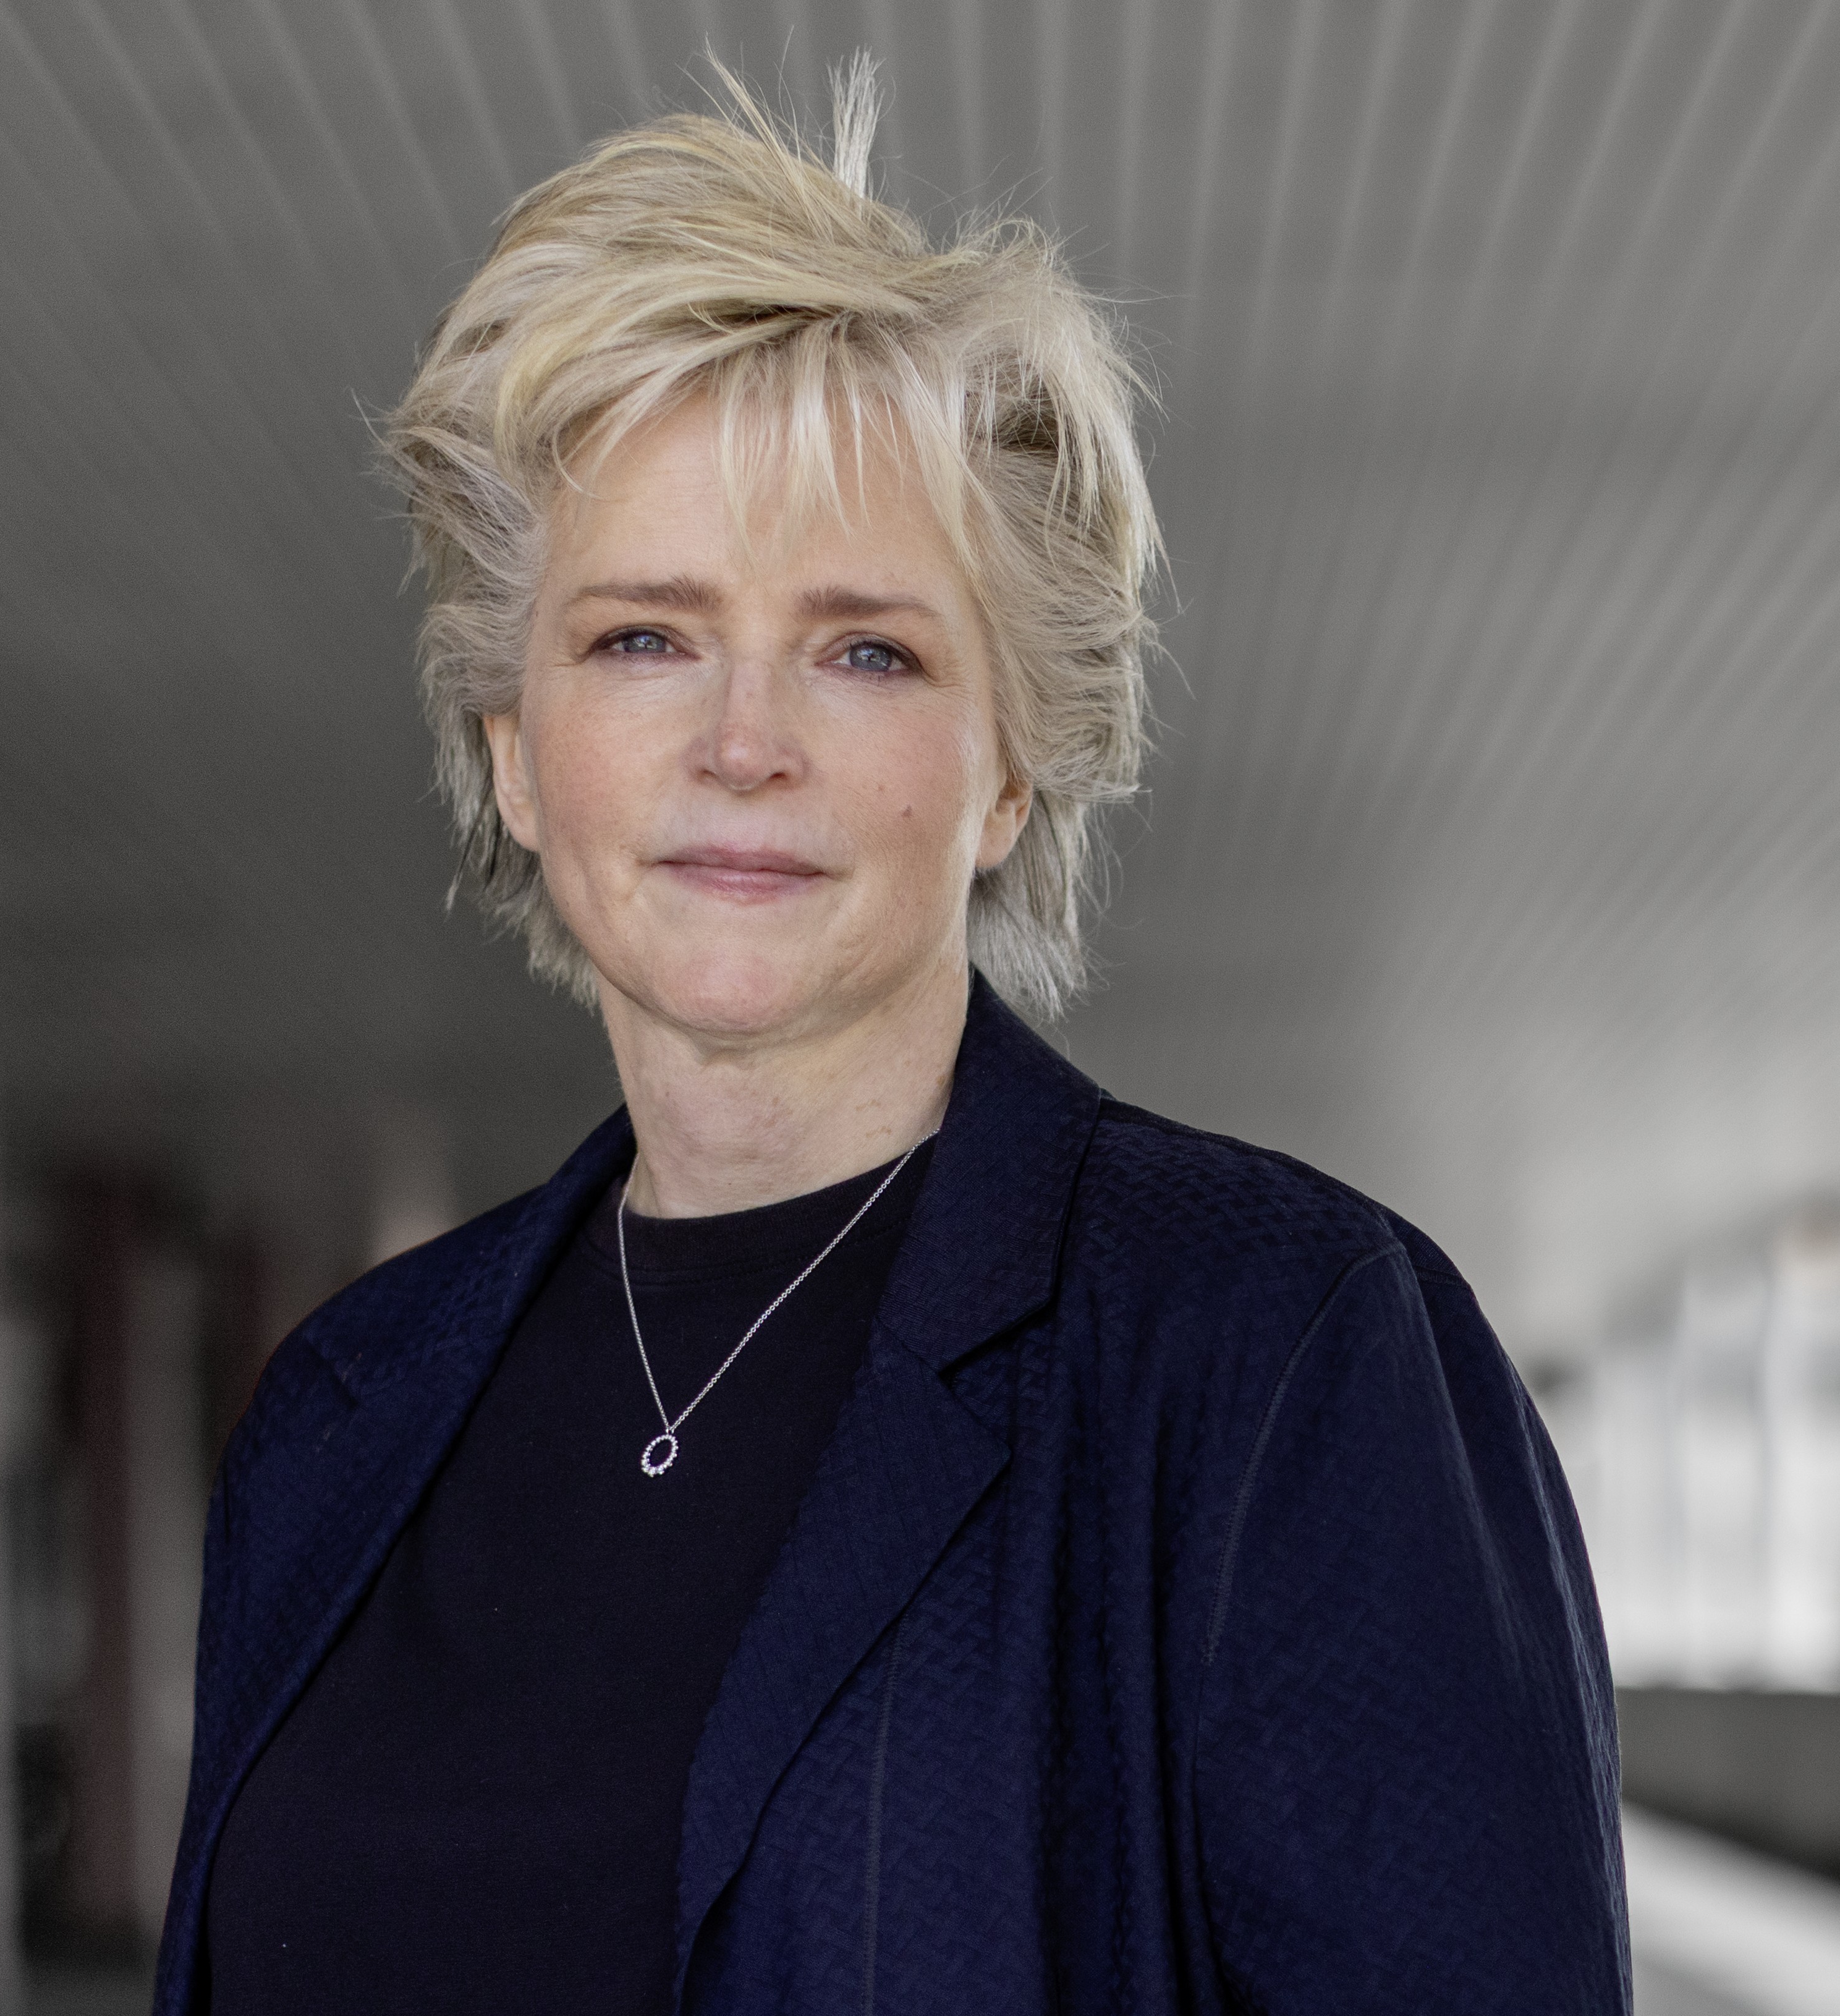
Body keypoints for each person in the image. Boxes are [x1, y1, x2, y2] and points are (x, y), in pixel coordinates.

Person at [155, 63, 1629, 2016]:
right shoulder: (344, 1417)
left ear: (1011, 768)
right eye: (641, 637)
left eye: (866, 650)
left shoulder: (1276, 1360)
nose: (742, 742)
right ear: (512, 749)